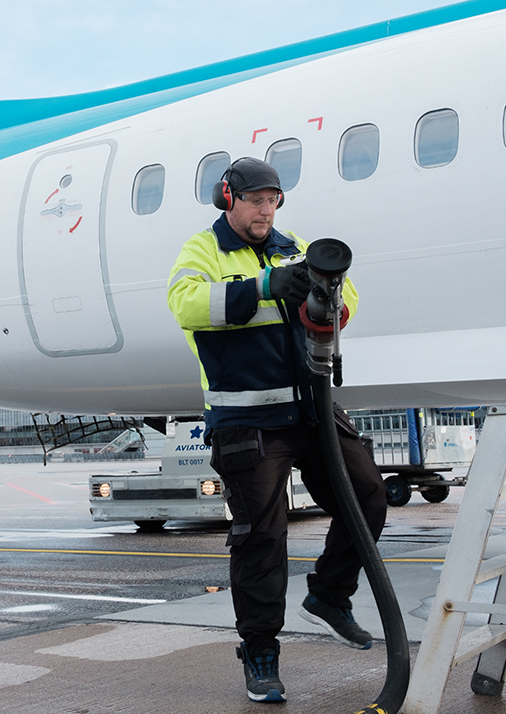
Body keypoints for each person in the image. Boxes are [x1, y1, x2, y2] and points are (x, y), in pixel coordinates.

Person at [166, 157, 386, 703]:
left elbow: (348, 298)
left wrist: (326, 302)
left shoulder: (294, 244)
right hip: (247, 417)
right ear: (228, 198)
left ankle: (330, 595)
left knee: (368, 497)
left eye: (274, 200)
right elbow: (185, 305)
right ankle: (261, 652)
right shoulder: (204, 250)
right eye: (256, 200)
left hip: (312, 408)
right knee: (262, 538)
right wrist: (264, 285)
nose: (266, 210)